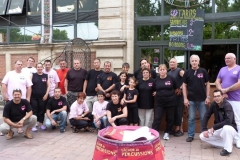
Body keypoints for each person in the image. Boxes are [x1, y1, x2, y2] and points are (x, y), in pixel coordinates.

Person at [199, 90, 237, 156]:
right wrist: (204, 129)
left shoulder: (227, 105)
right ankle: (226, 143)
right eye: (215, 96)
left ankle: (228, 149)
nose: (217, 98)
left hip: (230, 128)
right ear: (213, 98)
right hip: (219, 128)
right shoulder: (214, 104)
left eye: (218, 96)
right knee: (202, 136)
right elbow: (206, 116)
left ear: (222, 96)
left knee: (226, 128)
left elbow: (228, 121)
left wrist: (214, 127)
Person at [182, 54, 210, 142]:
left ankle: (203, 135)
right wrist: (185, 98)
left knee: (203, 118)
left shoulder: (203, 71)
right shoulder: (187, 72)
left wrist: (208, 97)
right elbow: (184, 85)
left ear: (198, 62)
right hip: (191, 100)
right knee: (191, 119)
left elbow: (208, 84)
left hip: (202, 99)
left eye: (196, 61)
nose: (194, 62)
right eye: (192, 61)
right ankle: (190, 135)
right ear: (190, 62)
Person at [215, 53, 240, 149]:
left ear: (235, 59)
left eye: (229, 58)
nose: (227, 60)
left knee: (237, 120)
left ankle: (238, 140)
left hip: (236, 99)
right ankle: (225, 139)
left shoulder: (238, 69)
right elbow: (217, 81)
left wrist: (227, 89)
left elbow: (239, 83)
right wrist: (221, 91)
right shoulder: (222, 69)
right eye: (225, 58)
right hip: (224, 99)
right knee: (224, 119)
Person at [1, 60, 33, 135]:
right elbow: (3, 84)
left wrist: (28, 97)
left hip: (22, 99)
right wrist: (4, 95)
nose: (20, 66)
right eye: (18, 64)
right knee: (7, 114)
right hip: (10, 98)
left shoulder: (25, 75)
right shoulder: (9, 74)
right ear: (14, 65)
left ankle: (19, 128)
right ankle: (8, 130)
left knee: (21, 114)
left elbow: (29, 87)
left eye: (21, 64)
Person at [152, 64, 177, 140]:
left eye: (164, 69)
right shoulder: (156, 80)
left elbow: (176, 88)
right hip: (159, 102)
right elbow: (154, 89)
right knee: (157, 118)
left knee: (170, 118)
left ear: (166, 70)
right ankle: (154, 133)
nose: (162, 71)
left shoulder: (171, 78)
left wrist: (171, 95)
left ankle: (167, 132)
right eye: (161, 70)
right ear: (158, 71)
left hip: (170, 102)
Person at [31, 63, 50, 131]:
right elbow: (29, 86)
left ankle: (41, 124)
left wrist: (46, 94)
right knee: (35, 110)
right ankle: (34, 125)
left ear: (43, 68)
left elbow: (48, 86)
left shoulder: (45, 76)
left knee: (41, 110)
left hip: (43, 97)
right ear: (36, 68)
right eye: (38, 67)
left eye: (41, 67)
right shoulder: (33, 75)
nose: (39, 68)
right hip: (33, 97)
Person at [168, 58, 185, 137]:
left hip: (179, 95)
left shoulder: (179, 71)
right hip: (171, 96)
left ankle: (180, 129)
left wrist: (180, 88)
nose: (172, 63)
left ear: (177, 64)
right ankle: (174, 128)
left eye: (173, 62)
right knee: (172, 112)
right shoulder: (168, 72)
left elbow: (186, 79)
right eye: (171, 62)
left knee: (179, 112)